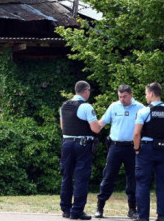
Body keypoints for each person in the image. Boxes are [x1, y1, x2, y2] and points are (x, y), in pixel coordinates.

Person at [94, 85, 143, 219]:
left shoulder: (140, 108)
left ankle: (132, 209)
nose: (122, 99)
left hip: (132, 148)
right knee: (108, 176)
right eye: (120, 96)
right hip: (115, 147)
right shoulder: (114, 106)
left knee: (132, 178)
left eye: (125, 96)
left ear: (131, 95)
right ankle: (100, 207)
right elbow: (101, 124)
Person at [133, 82, 164, 221]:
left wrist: (137, 149)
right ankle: (161, 216)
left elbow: (136, 134)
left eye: (146, 94)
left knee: (143, 183)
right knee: (162, 183)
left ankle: (143, 216)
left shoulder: (144, 111)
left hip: (146, 149)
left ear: (151, 94)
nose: (146, 97)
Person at [60, 80, 102, 220]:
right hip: (82, 145)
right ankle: (77, 211)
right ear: (86, 91)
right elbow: (95, 128)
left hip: (67, 144)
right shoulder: (85, 106)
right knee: (80, 178)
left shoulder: (64, 105)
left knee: (66, 177)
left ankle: (66, 209)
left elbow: (62, 126)